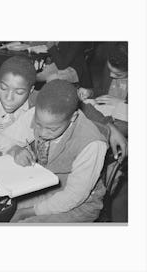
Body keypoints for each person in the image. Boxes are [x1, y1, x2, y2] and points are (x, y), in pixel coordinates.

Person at [0, 55, 127, 164]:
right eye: (3, 88)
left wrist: (110, 127)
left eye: (19, 92)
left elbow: (82, 107)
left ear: (31, 90)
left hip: (23, 164)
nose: (8, 97)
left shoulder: (39, 100)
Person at [10, 80, 107, 222]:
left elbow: (74, 196)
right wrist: (14, 149)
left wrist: (29, 211)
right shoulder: (43, 114)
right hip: (45, 186)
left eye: (51, 129)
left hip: (80, 204)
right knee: (2, 210)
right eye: (38, 124)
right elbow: (1, 140)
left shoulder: (92, 144)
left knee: (20, 223)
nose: (42, 132)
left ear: (73, 118)